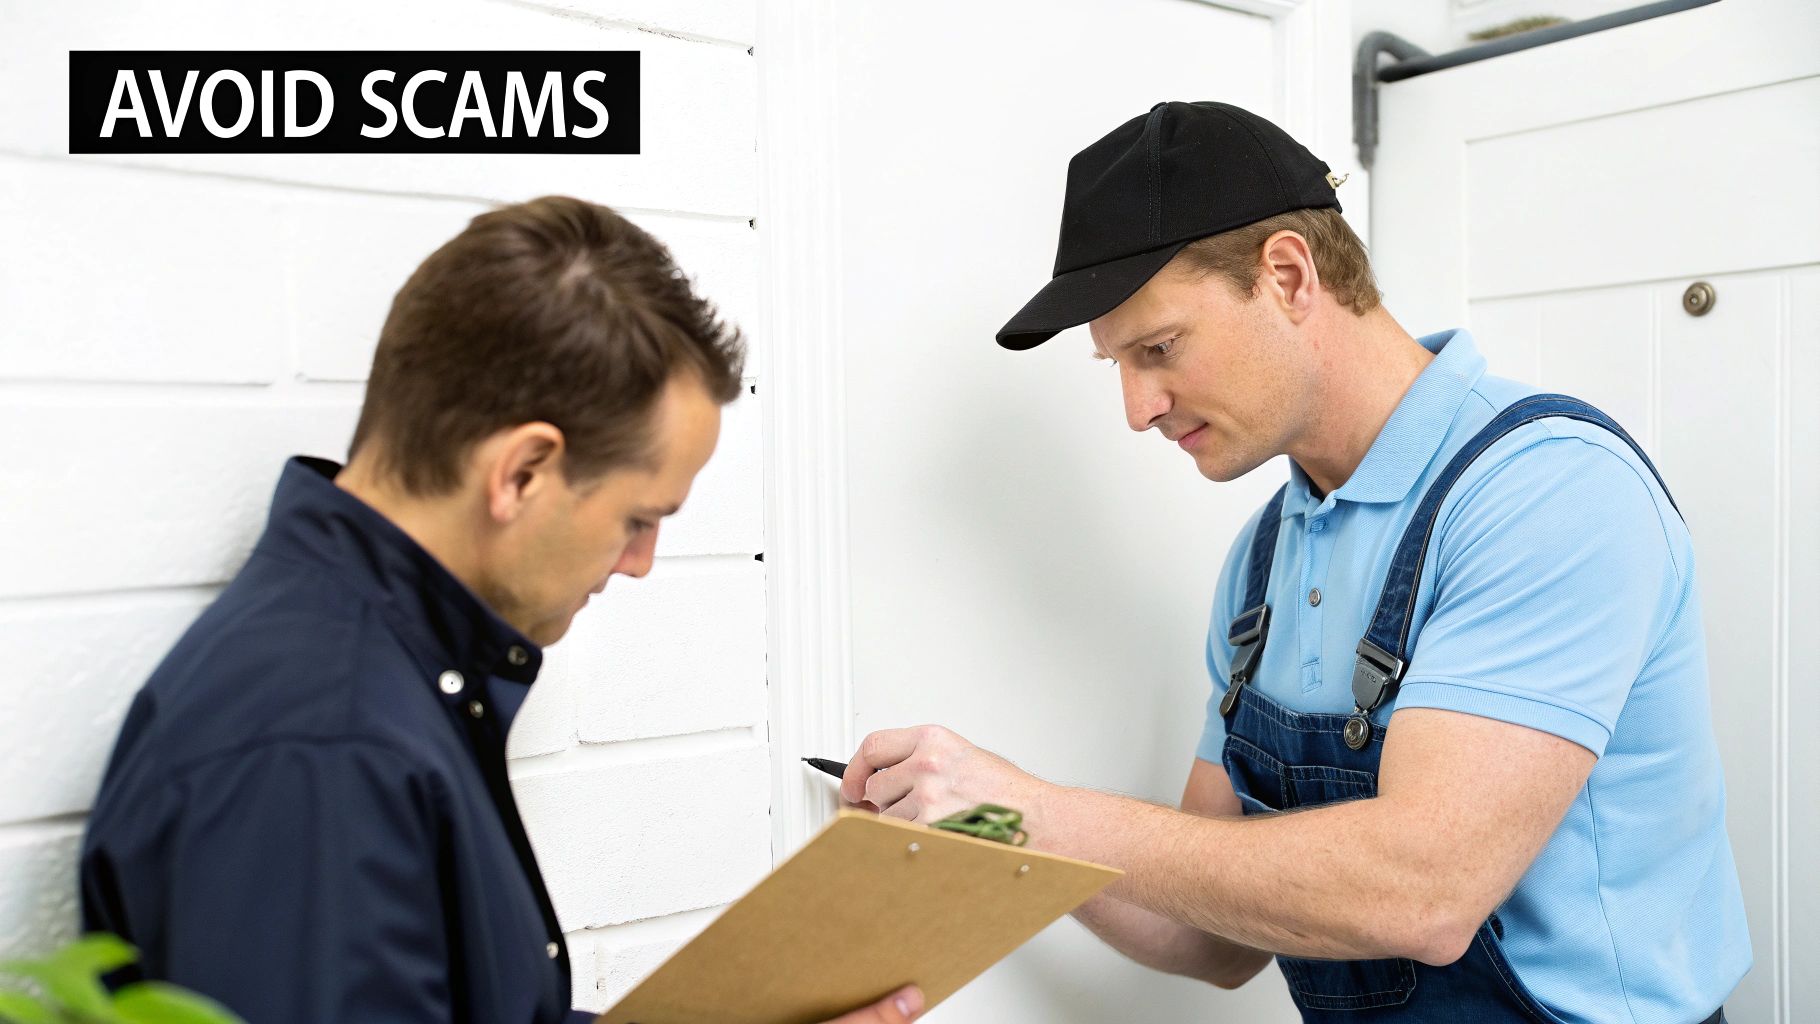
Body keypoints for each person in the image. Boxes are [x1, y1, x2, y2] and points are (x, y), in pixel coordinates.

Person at [839, 101, 1748, 1023]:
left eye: (1158, 348)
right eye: (1116, 364)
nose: (1137, 407)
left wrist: (1040, 810)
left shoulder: (1547, 494)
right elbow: (1218, 941)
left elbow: (1424, 894)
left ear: (1287, 274)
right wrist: (994, 829)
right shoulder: (1262, 564)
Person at [80, 197, 923, 1024]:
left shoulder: (379, 680)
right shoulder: (324, 751)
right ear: (521, 472)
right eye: (639, 518)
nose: (640, 564)